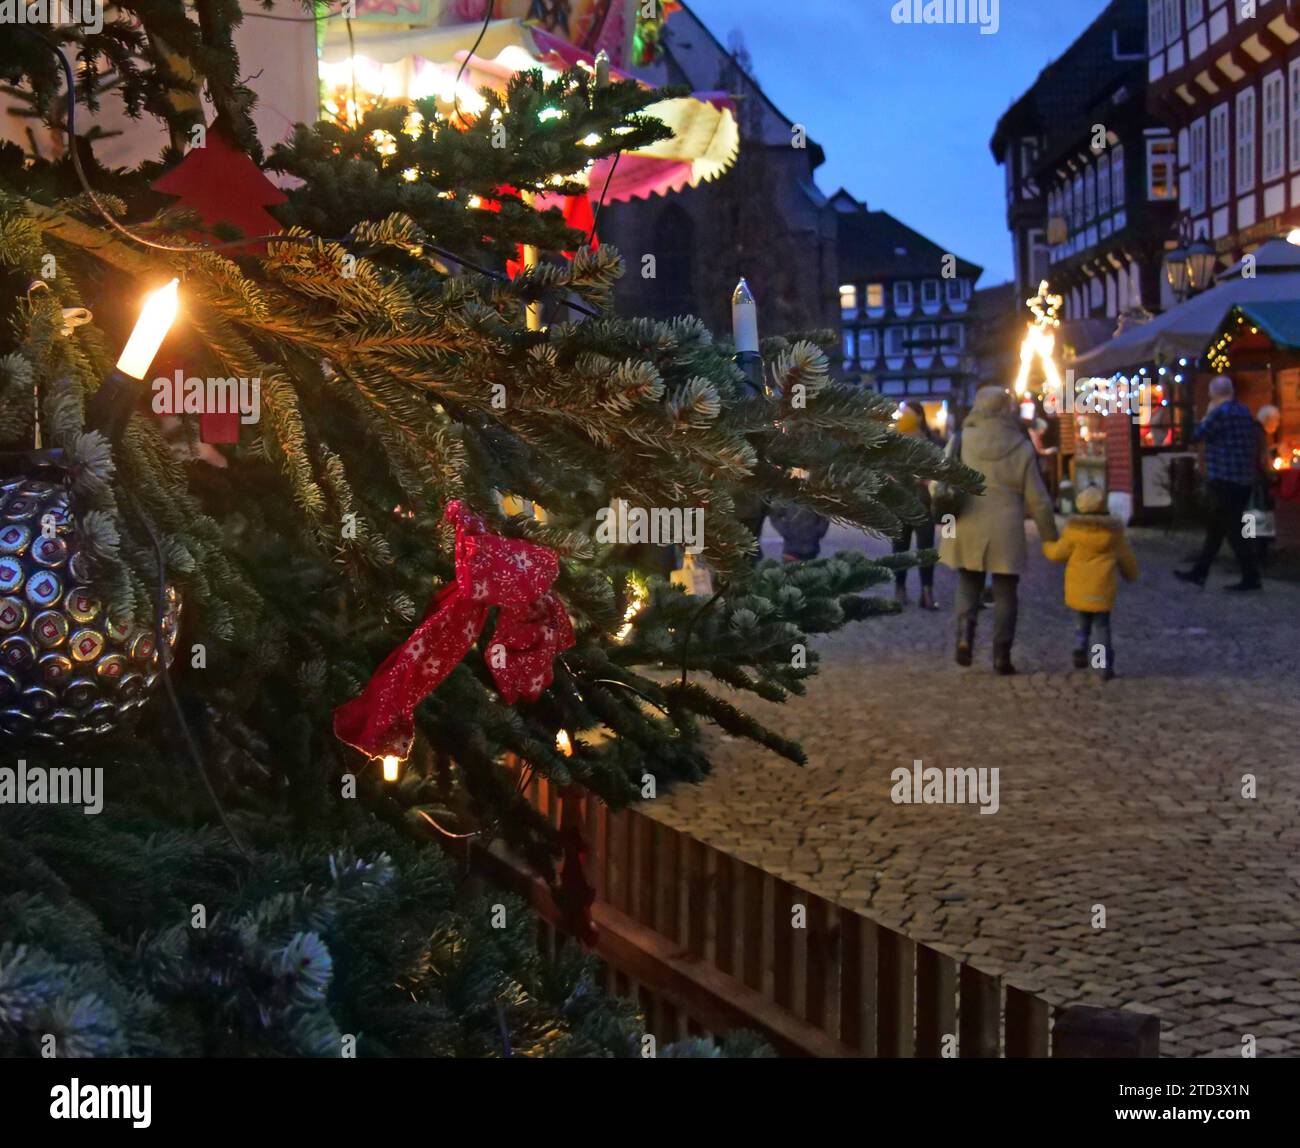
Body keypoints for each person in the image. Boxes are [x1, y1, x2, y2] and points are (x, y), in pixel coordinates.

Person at [939, 385, 1059, 675]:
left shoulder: (962, 439)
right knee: (1006, 592)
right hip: (1007, 524)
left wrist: (945, 524)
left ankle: (965, 637)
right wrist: (1050, 537)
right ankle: (1001, 654)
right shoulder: (1021, 445)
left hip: (968, 519)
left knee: (969, 582)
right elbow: (1038, 499)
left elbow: (938, 478)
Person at [1042, 484, 1138, 681]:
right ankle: (1101, 666)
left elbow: (1058, 553)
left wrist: (1046, 546)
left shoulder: (1073, 531)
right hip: (1103, 589)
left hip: (1079, 588)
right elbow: (1126, 559)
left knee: (1082, 620)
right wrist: (1131, 575)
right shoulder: (1114, 533)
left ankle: (1080, 645)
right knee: (1102, 627)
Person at [1175, 375, 1262, 592]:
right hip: (1243, 478)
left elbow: (1196, 435)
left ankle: (1251, 577)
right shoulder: (1244, 410)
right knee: (1217, 528)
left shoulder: (1218, 413)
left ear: (1213, 393)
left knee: (1233, 530)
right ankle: (1200, 572)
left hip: (1224, 478)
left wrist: (1205, 415)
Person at [891, 402, 939, 609]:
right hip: (923, 502)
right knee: (925, 550)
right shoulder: (928, 442)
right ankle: (927, 593)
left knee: (900, 550)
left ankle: (900, 591)